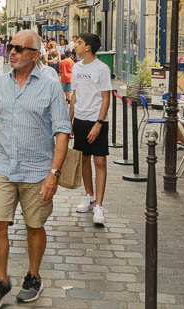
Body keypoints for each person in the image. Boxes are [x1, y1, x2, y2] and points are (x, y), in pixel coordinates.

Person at [0, 30, 70, 308]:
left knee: (34, 226)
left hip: (37, 170)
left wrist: (53, 174)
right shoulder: (1, 83)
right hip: (4, 166)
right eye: (11, 46)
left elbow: (62, 131)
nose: (12, 51)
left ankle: (33, 276)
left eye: (19, 48)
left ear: (34, 55)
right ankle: (1, 280)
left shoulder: (50, 86)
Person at [70, 33, 112, 226]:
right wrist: (69, 120)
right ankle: (89, 195)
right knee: (84, 159)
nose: (75, 45)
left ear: (87, 47)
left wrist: (99, 123)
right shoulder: (76, 67)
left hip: (97, 120)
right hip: (80, 119)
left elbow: (106, 99)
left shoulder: (102, 69)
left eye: (79, 43)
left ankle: (99, 205)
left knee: (100, 161)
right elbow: (74, 95)